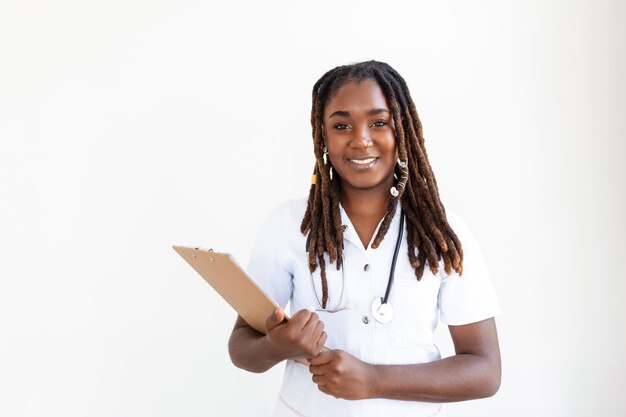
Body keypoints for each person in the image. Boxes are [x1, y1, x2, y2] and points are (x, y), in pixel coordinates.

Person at [228, 60, 501, 417]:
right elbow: (241, 347)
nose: (360, 139)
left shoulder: (444, 233)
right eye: (341, 125)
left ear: (402, 130)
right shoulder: (289, 225)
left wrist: (374, 380)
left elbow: (485, 371)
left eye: (379, 122)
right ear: (322, 136)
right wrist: (276, 346)